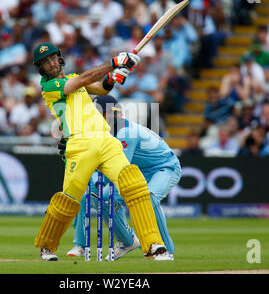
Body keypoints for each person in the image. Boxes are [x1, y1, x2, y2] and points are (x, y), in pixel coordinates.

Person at [32, 42, 171, 261]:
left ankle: (153, 244)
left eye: (52, 58)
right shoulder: (49, 87)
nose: (50, 63)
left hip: (106, 139)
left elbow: (102, 88)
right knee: (67, 200)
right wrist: (115, 62)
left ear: (60, 58)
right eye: (45, 62)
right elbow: (84, 80)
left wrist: (119, 74)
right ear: (41, 68)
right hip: (80, 145)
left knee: (134, 184)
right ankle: (47, 246)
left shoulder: (73, 79)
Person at [62, 95, 181, 261]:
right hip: (137, 171)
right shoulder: (102, 134)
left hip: (164, 167)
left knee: (148, 198)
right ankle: (127, 240)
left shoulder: (126, 133)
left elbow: (118, 168)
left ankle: (165, 250)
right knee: (104, 199)